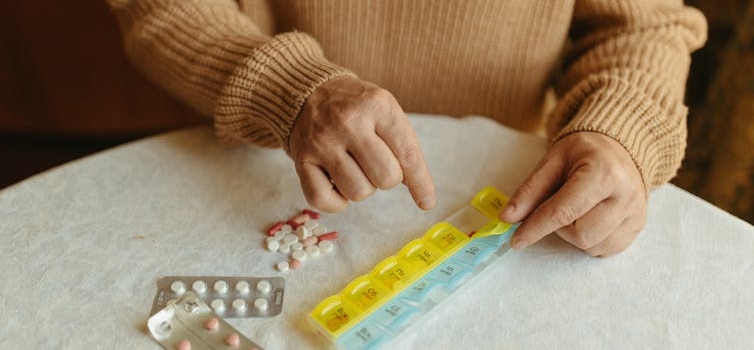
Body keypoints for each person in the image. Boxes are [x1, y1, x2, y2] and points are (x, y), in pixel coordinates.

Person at [106, 0, 707, 257]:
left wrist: (619, 133)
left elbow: (642, 26)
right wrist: (288, 88)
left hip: (508, 174)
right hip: (268, 161)